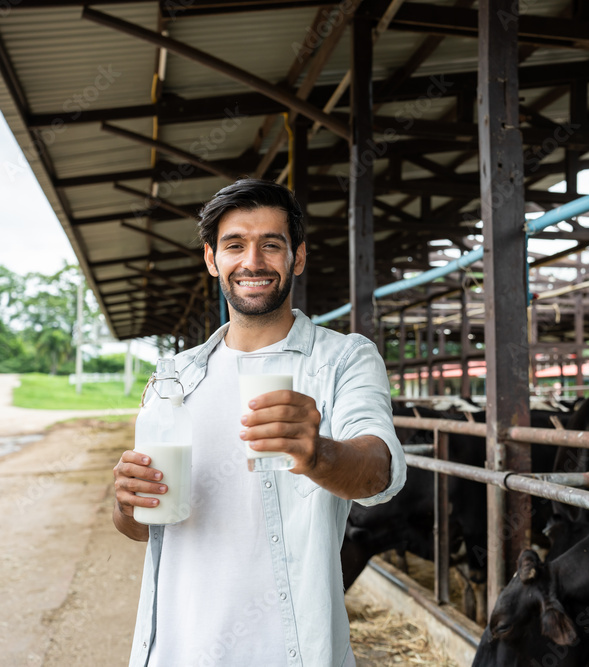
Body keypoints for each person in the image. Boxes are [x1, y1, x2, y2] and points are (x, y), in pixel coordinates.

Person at [112, 178, 406, 667]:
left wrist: (318, 453)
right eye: (235, 245)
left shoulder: (342, 360)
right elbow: (142, 525)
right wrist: (126, 503)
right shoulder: (174, 376)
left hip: (288, 653)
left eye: (271, 244)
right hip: (174, 652)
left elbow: (381, 474)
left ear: (298, 257)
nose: (253, 262)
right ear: (212, 260)